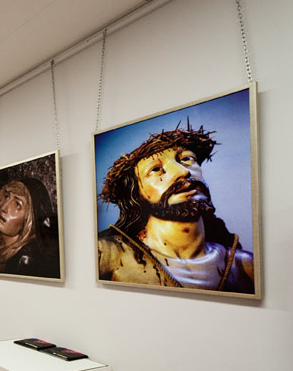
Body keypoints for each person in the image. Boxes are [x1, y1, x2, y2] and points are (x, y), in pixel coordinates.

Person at [97, 124, 255, 293]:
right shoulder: (107, 256)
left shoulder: (244, 265)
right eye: (156, 169)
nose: (182, 172)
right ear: (136, 194)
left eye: (187, 159)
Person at [0, 178, 59, 278]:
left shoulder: (25, 261)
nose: (3, 208)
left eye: (17, 204)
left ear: (29, 220)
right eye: (6, 197)